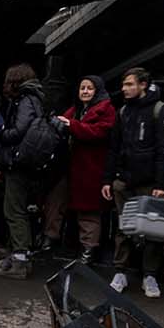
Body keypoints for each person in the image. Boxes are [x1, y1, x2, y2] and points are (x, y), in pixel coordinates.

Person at [106, 67, 164, 299]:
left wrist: (161, 183)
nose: (125, 89)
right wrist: (108, 179)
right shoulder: (124, 111)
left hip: (149, 181)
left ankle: (150, 275)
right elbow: (114, 148)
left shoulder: (160, 110)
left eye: (129, 84)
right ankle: (120, 271)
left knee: (153, 229)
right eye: (124, 85)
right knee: (123, 226)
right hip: (124, 180)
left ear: (143, 85)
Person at [0, 71, 64, 280]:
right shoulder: (38, 98)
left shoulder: (25, 100)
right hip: (30, 163)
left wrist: (2, 134)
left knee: (14, 210)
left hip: (19, 162)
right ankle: (16, 255)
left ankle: (20, 260)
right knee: (20, 210)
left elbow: (20, 129)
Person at [58, 74, 117, 267]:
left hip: (92, 169)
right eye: (82, 87)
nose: (84, 91)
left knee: (89, 213)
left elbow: (99, 132)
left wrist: (72, 126)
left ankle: (88, 251)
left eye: (89, 88)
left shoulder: (106, 110)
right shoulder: (76, 109)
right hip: (74, 168)